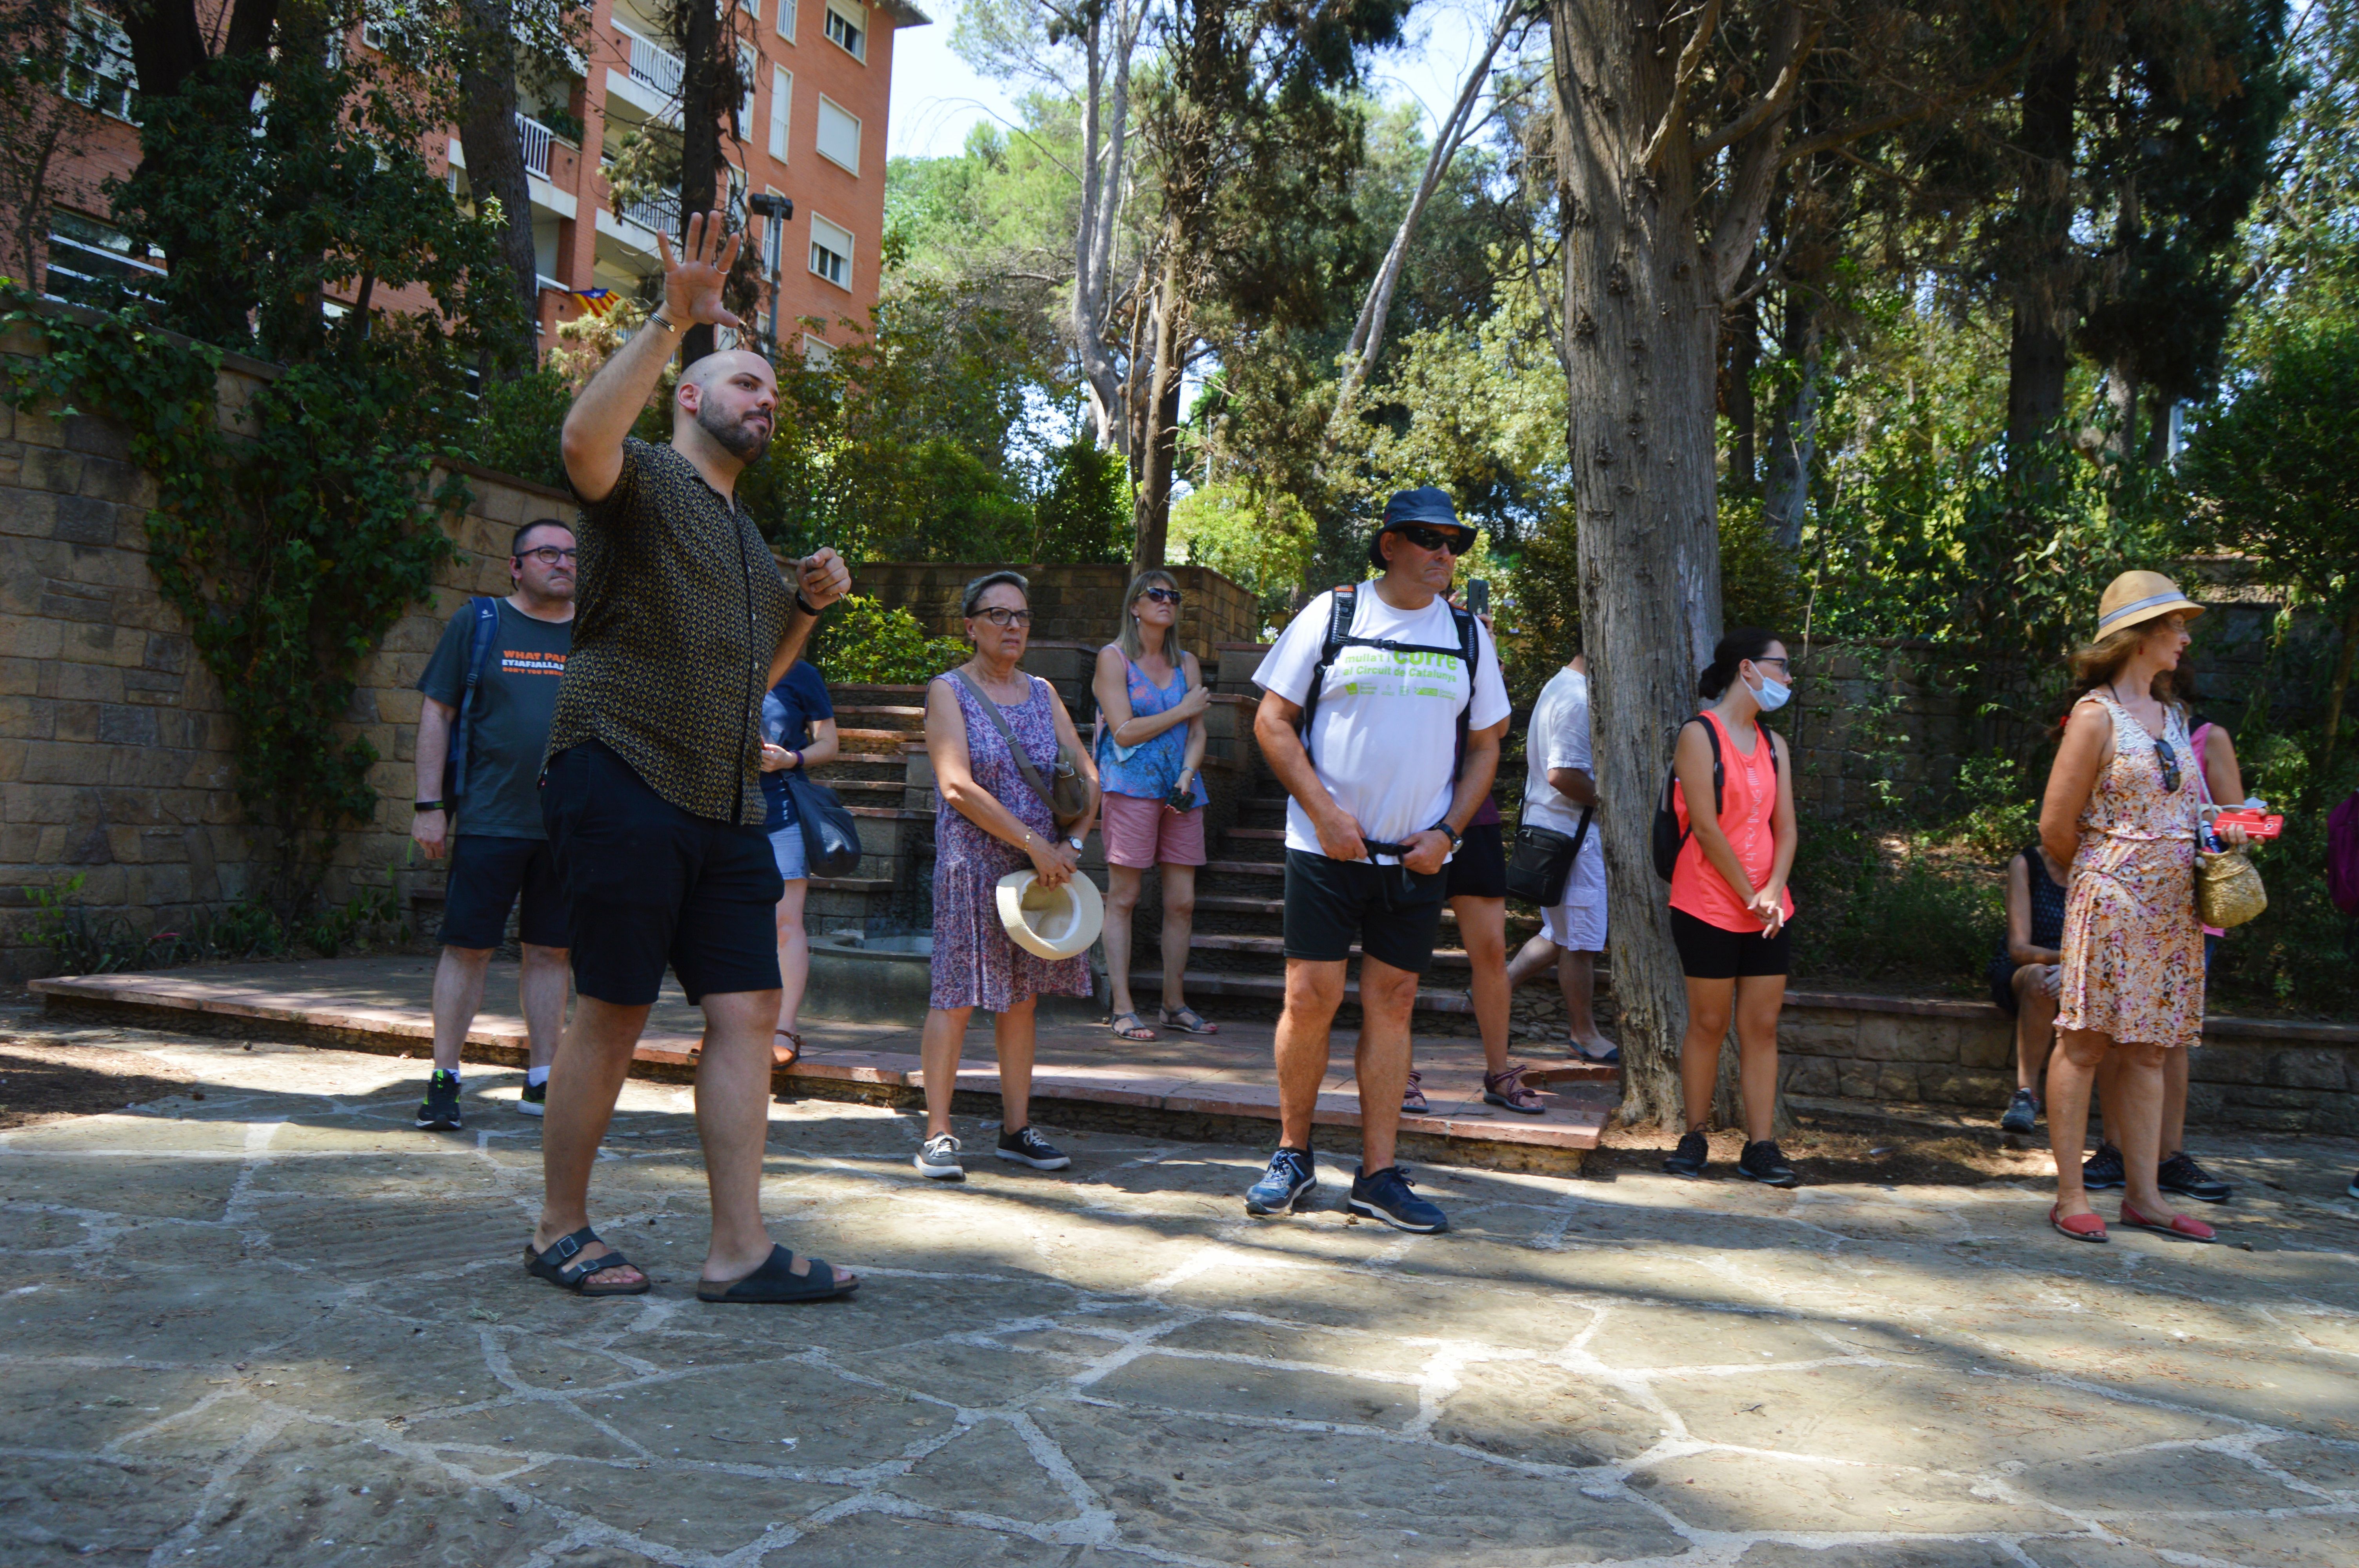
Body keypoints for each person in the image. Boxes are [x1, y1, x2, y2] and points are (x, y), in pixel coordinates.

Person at [531, 211, 857, 1303]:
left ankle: (739, 1248)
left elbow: (754, 674)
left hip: (726, 802)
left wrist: (805, 608)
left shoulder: (746, 537)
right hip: (620, 769)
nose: (766, 401)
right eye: (748, 384)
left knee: (749, 1015)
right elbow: (582, 441)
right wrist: (675, 321)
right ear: (691, 396)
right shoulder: (646, 485)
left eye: (773, 393)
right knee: (613, 1009)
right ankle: (558, 1226)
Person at [1244, 487, 1510, 1233]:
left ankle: (1378, 1173)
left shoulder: (1466, 634)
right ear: (1388, 544)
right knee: (1311, 999)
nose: (1444, 554)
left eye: (1454, 542)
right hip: (1325, 850)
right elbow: (1271, 719)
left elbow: (1488, 742)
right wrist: (1325, 814)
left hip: (1418, 858)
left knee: (1393, 1005)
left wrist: (1450, 834)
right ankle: (1292, 1155)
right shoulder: (1333, 614)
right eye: (1427, 538)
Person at [2037, 570, 2247, 1245]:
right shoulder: (2096, 716)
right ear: (2140, 637)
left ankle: (2146, 1196)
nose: (2185, 638)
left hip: (2172, 909)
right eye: (2176, 625)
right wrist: (2106, 874)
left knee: (2152, 1051)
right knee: (2085, 1041)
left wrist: (2227, 830)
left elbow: (2189, 812)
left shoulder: (2174, 716)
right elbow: (2055, 827)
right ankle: (2071, 1194)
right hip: (2111, 901)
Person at [914, 571, 1101, 1182]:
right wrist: (1036, 844)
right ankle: (938, 1132)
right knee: (957, 996)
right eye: (998, 615)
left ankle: (1017, 1130)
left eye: (1021, 615)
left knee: (1021, 1002)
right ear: (970, 626)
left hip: (1039, 873)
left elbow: (1085, 772)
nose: (1013, 626)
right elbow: (955, 785)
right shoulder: (949, 691)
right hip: (975, 866)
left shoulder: (1044, 691)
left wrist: (1070, 843)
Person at [410, 518, 578, 1131]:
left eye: (572, 554)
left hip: (566, 827)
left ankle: (542, 1079)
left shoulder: (592, 636)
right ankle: (444, 1077)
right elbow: (438, 711)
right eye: (548, 553)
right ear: (516, 565)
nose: (563, 562)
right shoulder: (479, 624)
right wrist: (430, 805)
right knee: (468, 948)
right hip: (490, 819)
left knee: (552, 951)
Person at [2081, 704, 2243, 1202]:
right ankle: (2114, 1149)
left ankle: (2167, 1156)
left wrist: (2230, 832)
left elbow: (2240, 820)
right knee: (2113, 1026)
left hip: (2185, 909)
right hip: (2123, 900)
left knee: (2167, 1035)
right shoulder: (2110, 725)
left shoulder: (2207, 737)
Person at [1661, 629, 1801, 1187]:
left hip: (1769, 908)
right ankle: (1695, 1136)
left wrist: (1773, 890)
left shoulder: (1774, 745)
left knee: (1762, 1026)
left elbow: (1786, 829)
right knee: (1710, 1022)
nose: (1789, 679)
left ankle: (1760, 1146)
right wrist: (1750, 891)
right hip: (1707, 902)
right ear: (1748, 669)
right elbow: (1707, 828)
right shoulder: (1700, 735)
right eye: (1783, 667)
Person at [1092, 570, 1215, 1043]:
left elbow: (1199, 734)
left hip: (1182, 789)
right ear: (1135, 606)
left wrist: (1187, 775)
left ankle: (1173, 1004)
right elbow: (1123, 731)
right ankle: (1122, 1007)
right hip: (1129, 787)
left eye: (1174, 596)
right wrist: (1182, 711)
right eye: (1156, 594)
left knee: (1182, 902)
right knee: (1123, 897)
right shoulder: (1113, 659)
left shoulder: (1187, 663)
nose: (1167, 601)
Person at [1503, 648, 1616, 1067]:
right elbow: (1562, 774)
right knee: (1580, 943)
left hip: (1559, 832)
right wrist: (1614, 801)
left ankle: (1490, 991)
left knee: (1559, 935)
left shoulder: (1560, 685)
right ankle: (1583, 1034)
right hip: (1573, 838)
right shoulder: (1577, 698)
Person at [756, 656, 839, 1069]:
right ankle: (728, 1027)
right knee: (723, 924)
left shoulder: (803, 674)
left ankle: (784, 1028)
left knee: (785, 924)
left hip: (783, 811)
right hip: (721, 812)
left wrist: (792, 759)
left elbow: (829, 742)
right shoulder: (718, 654)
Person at [1989, 842, 2069, 1136]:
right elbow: (2019, 950)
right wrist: (2068, 960)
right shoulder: (2026, 865)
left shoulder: (2099, 868)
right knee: (2041, 978)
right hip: (2027, 969)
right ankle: (2026, 1095)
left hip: (2085, 970)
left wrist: (2079, 969)